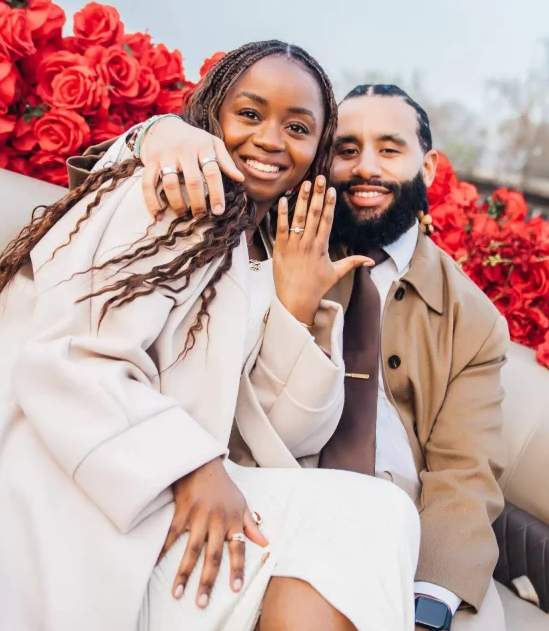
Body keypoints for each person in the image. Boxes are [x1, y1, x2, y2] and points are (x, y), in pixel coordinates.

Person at [0, 41, 421, 631]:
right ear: (210, 116)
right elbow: (70, 358)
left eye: (299, 127)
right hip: (49, 475)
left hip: (140, 471)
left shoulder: (248, 245)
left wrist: (295, 306)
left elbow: (279, 434)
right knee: (361, 523)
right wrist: (193, 467)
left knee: (373, 515)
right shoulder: (172, 190)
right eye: (250, 114)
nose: (271, 140)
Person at [70, 84, 510, 631]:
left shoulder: (473, 316)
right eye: (346, 150)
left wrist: (431, 595)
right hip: (269, 488)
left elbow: (466, 471)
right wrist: (163, 132)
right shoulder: (264, 231)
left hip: (413, 534)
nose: (365, 168)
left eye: (389, 149)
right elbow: (100, 184)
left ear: (431, 166)